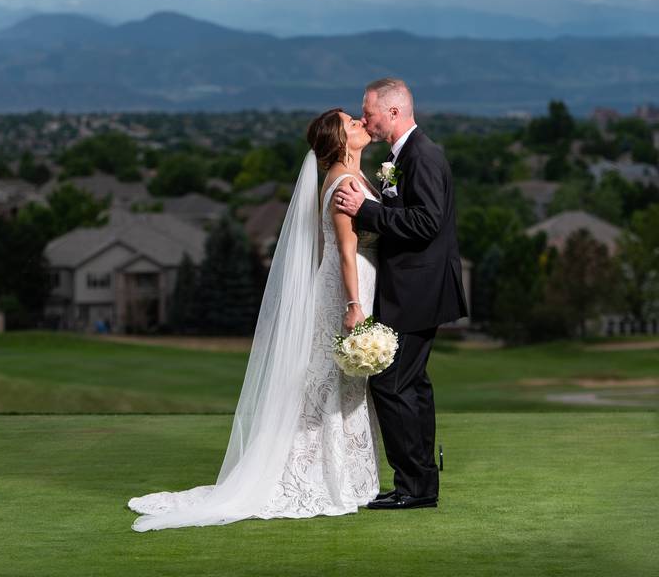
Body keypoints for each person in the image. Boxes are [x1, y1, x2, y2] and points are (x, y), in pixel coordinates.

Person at [127, 108, 382, 531]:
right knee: (328, 380)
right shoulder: (344, 183)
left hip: (355, 285)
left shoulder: (350, 177)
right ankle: (324, 477)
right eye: (351, 122)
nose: (359, 122)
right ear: (339, 140)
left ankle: (350, 476)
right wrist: (354, 305)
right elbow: (344, 248)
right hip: (346, 290)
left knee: (341, 379)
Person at [334, 78, 467, 509]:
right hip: (413, 289)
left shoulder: (422, 156)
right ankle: (418, 484)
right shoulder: (404, 155)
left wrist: (367, 211)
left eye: (368, 110)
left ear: (392, 112)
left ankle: (414, 487)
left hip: (417, 291)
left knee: (391, 385)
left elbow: (427, 223)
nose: (365, 117)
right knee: (411, 386)